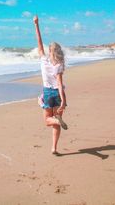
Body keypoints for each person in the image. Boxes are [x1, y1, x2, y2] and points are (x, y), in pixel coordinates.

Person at [33, 15, 68, 155]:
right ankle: (53, 148)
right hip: (58, 94)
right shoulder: (58, 65)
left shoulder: (43, 59)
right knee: (55, 122)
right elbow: (60, 84)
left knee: (49, 120)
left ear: (49, 51)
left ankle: (57, 120)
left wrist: (36, 24)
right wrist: (63, 101)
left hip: (48, 93)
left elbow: (39, 42)